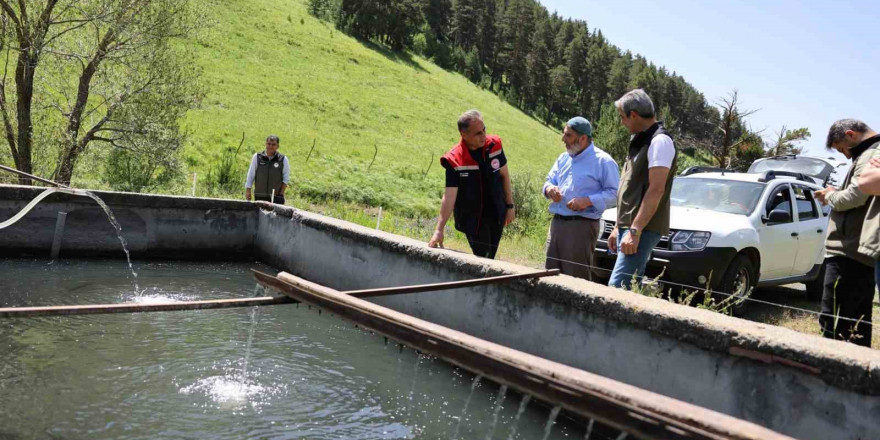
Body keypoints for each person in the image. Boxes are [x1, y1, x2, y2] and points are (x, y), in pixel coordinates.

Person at [814, 119, 879, 347]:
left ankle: (830, 373)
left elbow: (856, 195)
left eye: (842, 149)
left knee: (836, 321)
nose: (845, 155)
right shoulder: (868, 153)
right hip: (855, 249)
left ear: (850, 135)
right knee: (854, 323)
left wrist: (829, 196)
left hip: (850, 250)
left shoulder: (872, 152)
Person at [606, 89, 677, 289]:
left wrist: (635, 232)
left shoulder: (660, 141)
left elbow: (656, 190)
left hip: (643, 227)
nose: (621, 122)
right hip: (631, 226)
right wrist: (619, 227)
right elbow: (630, 186)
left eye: (622, 117)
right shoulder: (639, 139)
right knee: (628, 286)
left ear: (634, 115)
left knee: (619, 287)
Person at [428, 110, 515, 259]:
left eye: (484, 130)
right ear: (464, 135)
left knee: (490, 257)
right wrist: (439, 230)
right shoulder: (454, 159)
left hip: (496, 213)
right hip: (473, 218)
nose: (483, 136)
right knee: (484, 258)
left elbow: (504, 176)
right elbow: (449, 197)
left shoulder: (495, 145)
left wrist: (510, 206)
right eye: (478, 133)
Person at [543, 117, 619, 281]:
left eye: (568, 136)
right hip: (557, 224)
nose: (563, 139)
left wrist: (587, 200)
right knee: (549, 275)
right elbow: (549, 181)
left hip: (582, 227)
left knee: (575, 279)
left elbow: (615, 194)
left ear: (583, 138)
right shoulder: (563, 158)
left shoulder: (603, 161)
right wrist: (550, 189)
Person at [245, 135, 290, 204]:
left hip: (275, 197)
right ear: (265, 144)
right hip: (259, 195)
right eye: (269, 144)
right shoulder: (257, 157)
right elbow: (251, 175)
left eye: (273, 144)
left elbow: (286, 178)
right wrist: (248, 190)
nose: (271, 146)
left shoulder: (283, 159)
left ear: (277, 146)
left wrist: (281, 194)